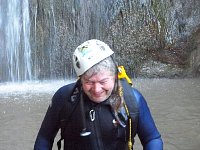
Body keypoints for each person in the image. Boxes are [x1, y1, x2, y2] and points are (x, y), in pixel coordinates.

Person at [34, 39, 163, 150]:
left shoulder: (132, 100)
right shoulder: (65, 98)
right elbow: (45, 138)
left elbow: (152, 138)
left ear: (115, 77)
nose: (96, 89)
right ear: (80, 79)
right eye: (89, 82)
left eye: (103, 81)